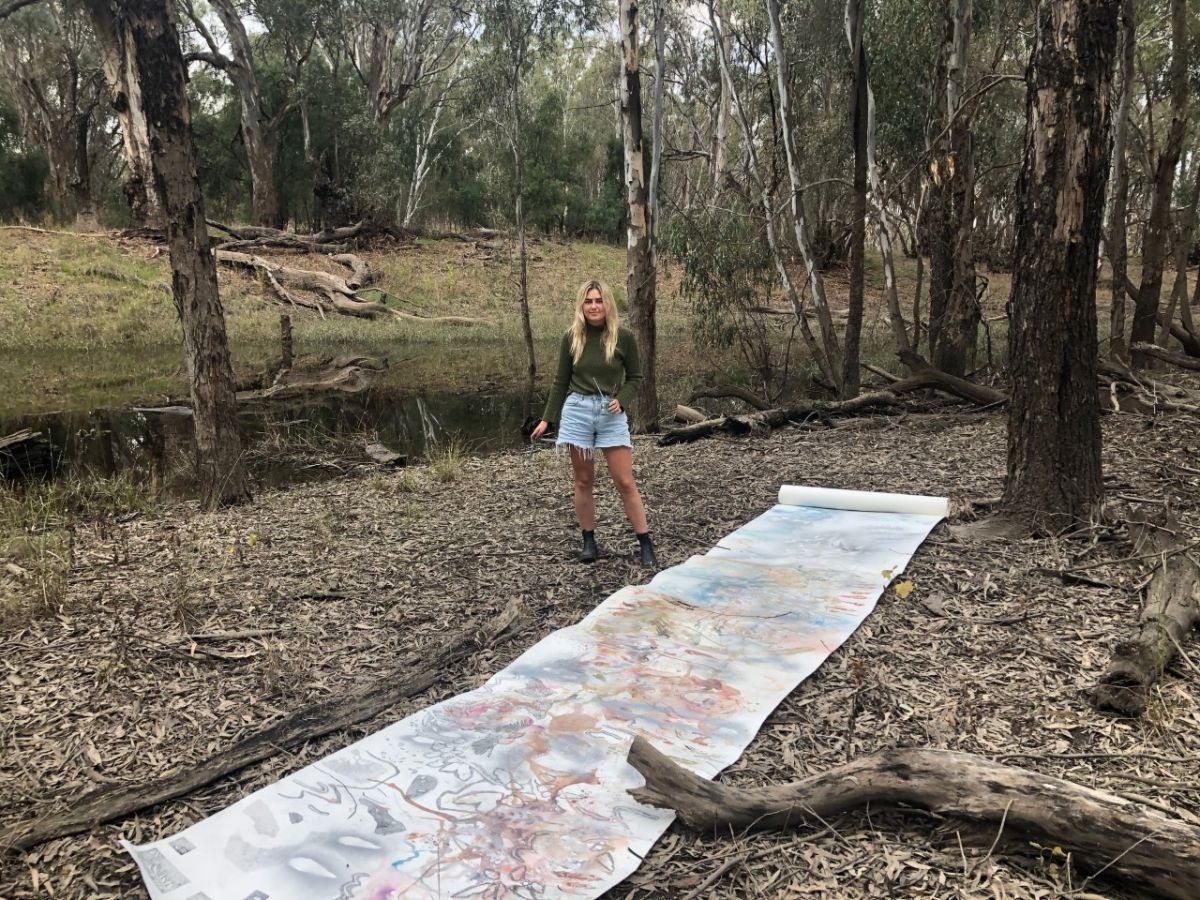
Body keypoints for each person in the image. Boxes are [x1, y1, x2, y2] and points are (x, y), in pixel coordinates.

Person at [530, 279, 657, 567]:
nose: (594, 306)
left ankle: (645, 542)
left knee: (625, 480)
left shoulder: (622, 338)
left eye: (598, 300)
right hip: (577, 411)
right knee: (583, 479)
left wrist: (622, 399)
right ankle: (589, 541)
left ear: (607, 304)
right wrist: (547, 419)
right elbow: (560, 381)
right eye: (588, 301)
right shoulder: (572, 338)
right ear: (581, 306)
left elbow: (636, 378)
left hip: (610, 413)